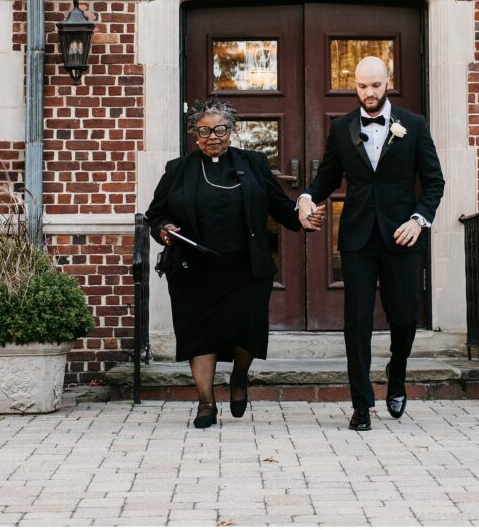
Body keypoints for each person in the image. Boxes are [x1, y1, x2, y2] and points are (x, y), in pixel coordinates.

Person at [146, 99, 325, 429]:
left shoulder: (254, 163)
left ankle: (239, 378)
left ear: (231, 131)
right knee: (199, 335)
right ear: (194, 135)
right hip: (193, 269)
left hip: (245, 268)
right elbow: (156, 214)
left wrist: (303, 218)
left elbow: (280, 207)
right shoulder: (178, 170)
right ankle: (205, 403)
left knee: (246, 333)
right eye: (204, 130)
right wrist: (164, 230)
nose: (212, 137)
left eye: (220, 129)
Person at [298, 56, 445, 431]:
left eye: (376, 85)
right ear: (355, 86)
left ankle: (396, 375)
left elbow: (434, 182)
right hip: (357, 238)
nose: (369, 93)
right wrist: (305, 198)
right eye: (362, 86)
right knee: (357, 323)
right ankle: (361, 404)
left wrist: (419, 220)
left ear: (388, 82)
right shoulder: (342, 127)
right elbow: (327, 178)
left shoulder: (413, 124)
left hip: (402, 236)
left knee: (405, 318)